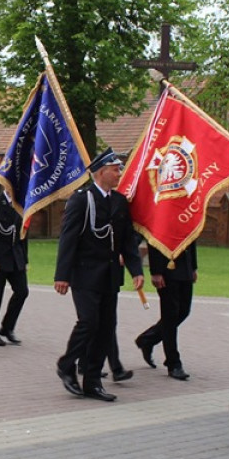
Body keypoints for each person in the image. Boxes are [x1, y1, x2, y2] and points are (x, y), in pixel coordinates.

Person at [54, 148, 144, 402]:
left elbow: (127, 240)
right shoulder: (82, 199)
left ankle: (92, 382)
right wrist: (62, 275)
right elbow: (68, 239)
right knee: (89, 322)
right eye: (115, 170)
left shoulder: (119, 202)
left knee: (105, 328)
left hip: (110, 276)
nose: (119, 174)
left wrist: (136, 270)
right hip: (84, 274)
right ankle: (66, 364)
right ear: (101, 172)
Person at [135, 242, 197, 380]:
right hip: (167, 268)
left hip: (185, 267)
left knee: (183, 311)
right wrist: (156, 271)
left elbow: (191, 236)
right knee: (170, 316)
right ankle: (173, 363)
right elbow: (154, 240)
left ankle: (147, 339)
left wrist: (193, 266)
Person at [0, 186, 29, 346]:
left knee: (22, 291)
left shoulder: (21, 204)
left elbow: (24, 234)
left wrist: (25, 259)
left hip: (16, 256)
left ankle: (7, 327)